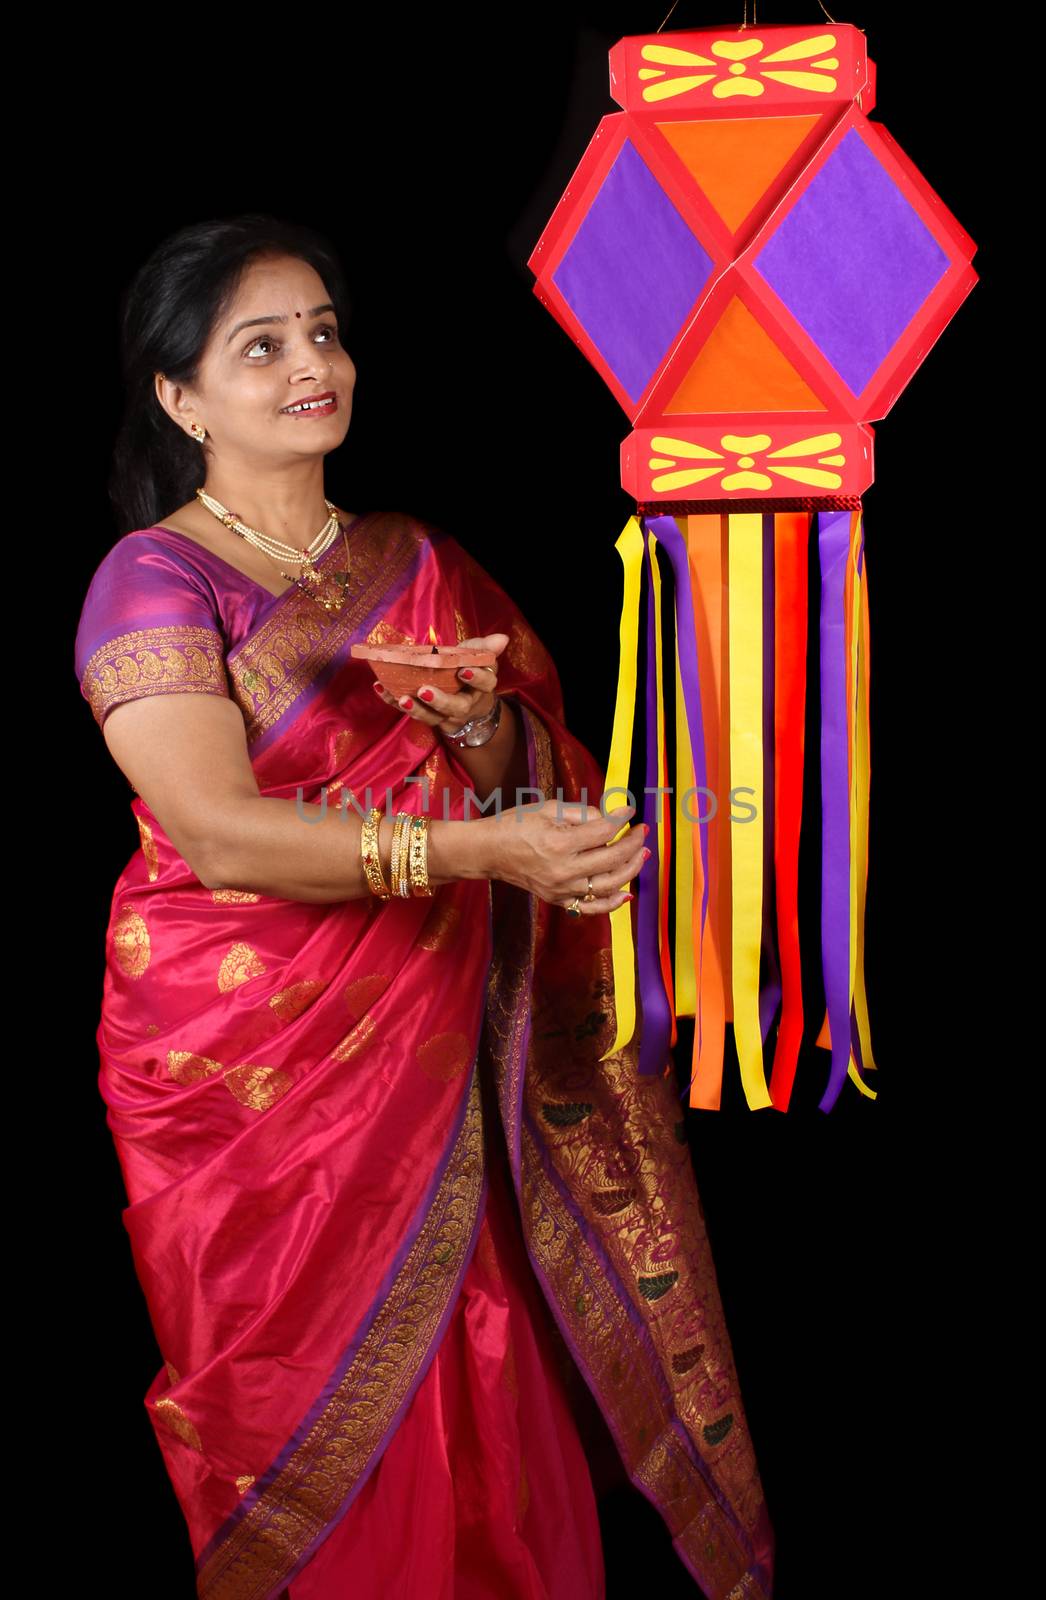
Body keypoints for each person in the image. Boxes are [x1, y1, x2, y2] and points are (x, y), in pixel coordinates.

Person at [73, 214, 775, 1600]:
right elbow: (216, 836)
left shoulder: (412, 560)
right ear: (178, 396)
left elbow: (529, 761)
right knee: (320, 1405)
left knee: (487, 1350)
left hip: (443, 1055)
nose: (308, 366)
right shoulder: (152, 578)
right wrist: (483, 851)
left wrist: (479, 737)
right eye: (258, 346)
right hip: (249, 1075)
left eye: (322, 331)